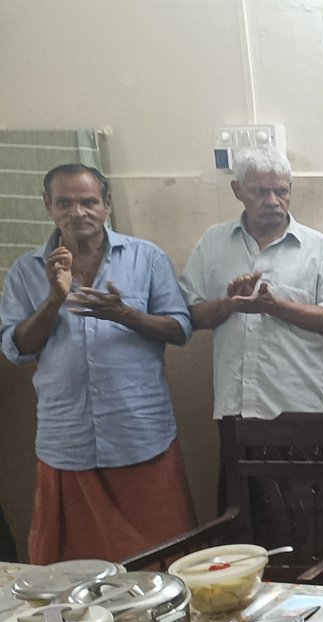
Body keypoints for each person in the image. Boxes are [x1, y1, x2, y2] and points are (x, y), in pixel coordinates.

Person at [0, 164, 195, 563]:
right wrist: (55, 298)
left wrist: (125, 314)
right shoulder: (26, 270)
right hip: (67, 443)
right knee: (72, 572)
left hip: (140, 436)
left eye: (88, 202)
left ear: (107, 204)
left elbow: (180, 329)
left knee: (163, 568)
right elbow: (18, 349)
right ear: (48, 206)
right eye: (65, 203)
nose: (78, 212)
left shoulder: (146, 258)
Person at [181, 148, 323, 420]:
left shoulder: (317, 247)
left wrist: (275, 307)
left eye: (281, 191)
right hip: (235, 408)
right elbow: (190, 316)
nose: (272, 201)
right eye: (259, 192)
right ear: (237, 190)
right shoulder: (213, 243)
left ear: (290, 189)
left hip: (300, 407)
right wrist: (228, 305)